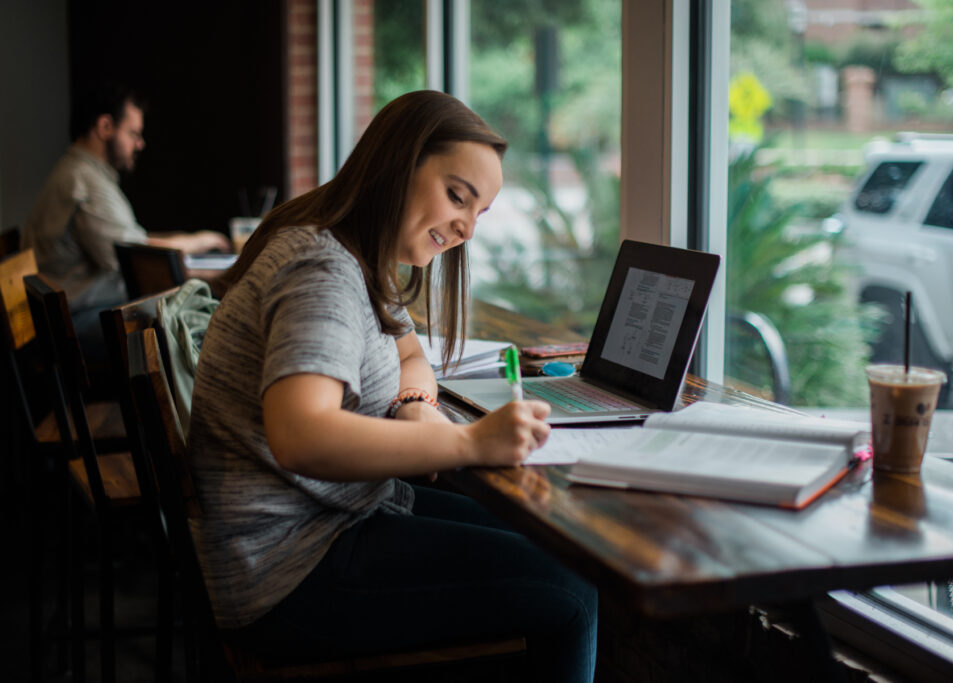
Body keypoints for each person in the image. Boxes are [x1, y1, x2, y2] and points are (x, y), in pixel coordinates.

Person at [187, 90, 597, 682]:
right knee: (572, 590)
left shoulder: (354, 253)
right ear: (397, 163)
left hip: (325, 523)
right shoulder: (322, 271)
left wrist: (414, 405)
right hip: (290, 567)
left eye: (478, 214)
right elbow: (300, 434)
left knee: (556, 547)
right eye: (458, 196)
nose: (465, 229)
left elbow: (408, 350)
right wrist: (467, 443)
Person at [23, 83, 229, 378]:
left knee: (189, 315)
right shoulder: (84, 182)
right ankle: (181, 423)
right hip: (72, 326)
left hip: (70, 316)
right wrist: (215, 271)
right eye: (133, 133)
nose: (140, 143)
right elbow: (139, 262)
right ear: (105, 126)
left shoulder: (82, 174)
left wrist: (196, 245)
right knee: (196, 323)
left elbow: (135, 243)